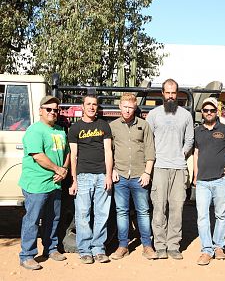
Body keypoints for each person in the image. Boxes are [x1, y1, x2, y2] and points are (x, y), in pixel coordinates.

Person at [19, 95, 70, 270]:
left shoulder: (60, 131)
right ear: (41, 110)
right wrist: (58, 170)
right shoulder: (35, 130)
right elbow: (38, 156)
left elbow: (67, 152)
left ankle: (51, 248)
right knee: (32, 220)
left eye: (56, 110)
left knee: (53, 218)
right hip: (36, 184)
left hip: (55, 183)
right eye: (49, 109)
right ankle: (27, 255)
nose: (53, 112)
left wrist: (64, 170)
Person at [146, 78, 194, 260]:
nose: (171, 96)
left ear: (178, 94)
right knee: (159, 208)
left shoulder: (185, 115)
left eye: (174, 93)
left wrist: (181, 153)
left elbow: (189, 139)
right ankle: (160, 245)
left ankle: (173, 245)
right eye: (168, 92)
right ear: (163, 94)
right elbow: (148, 139)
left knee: (177, 208)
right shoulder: (154, 115)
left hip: (179, 168)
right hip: (159, 167)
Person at [193, 97, 225, 265]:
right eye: (205, 110)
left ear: (216, 112)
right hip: (202, 183)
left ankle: (218, 246)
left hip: (221, 180)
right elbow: (196, 153)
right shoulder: (197, 131)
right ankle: (206, 250)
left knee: (221, 215)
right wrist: (195, 175)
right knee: (202, 216)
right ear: (202, 113)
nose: (208, 113)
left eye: (212, 110)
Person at [109, 93, 157, 260]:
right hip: (120, 176)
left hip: (139, 176)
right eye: (125, 107)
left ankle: (147, 246)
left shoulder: (144, 125)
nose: (128, 110)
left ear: (135, 108)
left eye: (131, 107)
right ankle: (123, 246)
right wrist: (112, 169)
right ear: (120, 107)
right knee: (121, 212)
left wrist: (147, 172)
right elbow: (109, 151)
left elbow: (150, 151)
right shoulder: (113, 126)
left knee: (143, 211)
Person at [68, 95, 113, 264]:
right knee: (82, 214)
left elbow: (108, 151)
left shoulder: (103, 126)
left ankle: (99, 249)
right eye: (89, 104)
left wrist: (108, 175)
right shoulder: (75, 128)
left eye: (94, 104)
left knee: (102, 214)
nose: (92, 107)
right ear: (82, 106)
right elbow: (73, 155)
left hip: (102, 175)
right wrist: (74, 180)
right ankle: (85, 250)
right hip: (83, 176)